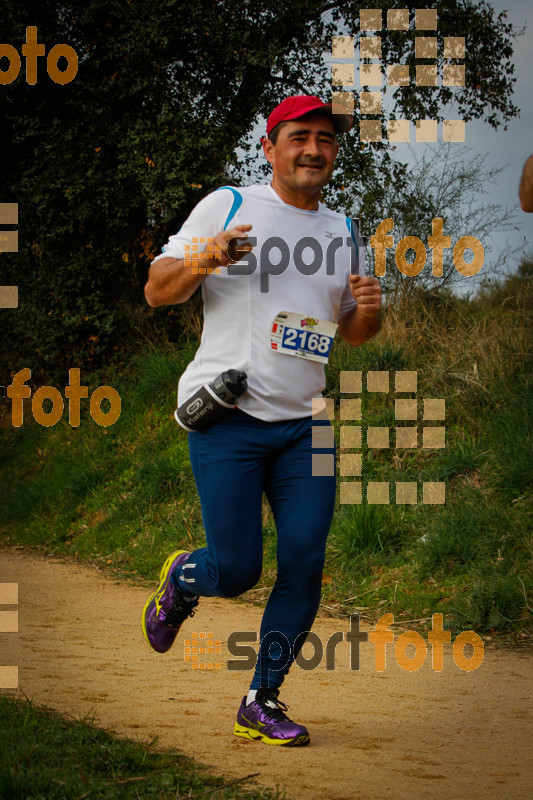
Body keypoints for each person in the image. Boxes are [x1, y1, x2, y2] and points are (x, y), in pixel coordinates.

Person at [142, 94, 381, 746]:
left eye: (325, 139)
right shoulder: (231, 205)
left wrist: (369, 309)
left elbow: (353, 334)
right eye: (299, 136)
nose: (313, 149)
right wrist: (204, 259)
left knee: (304, 561)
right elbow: (157, 289)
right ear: (270, 147)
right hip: (230, 418)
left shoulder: (344, 230)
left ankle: (262, 698)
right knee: (237, 569)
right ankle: (182, 578)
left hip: (307, 423)